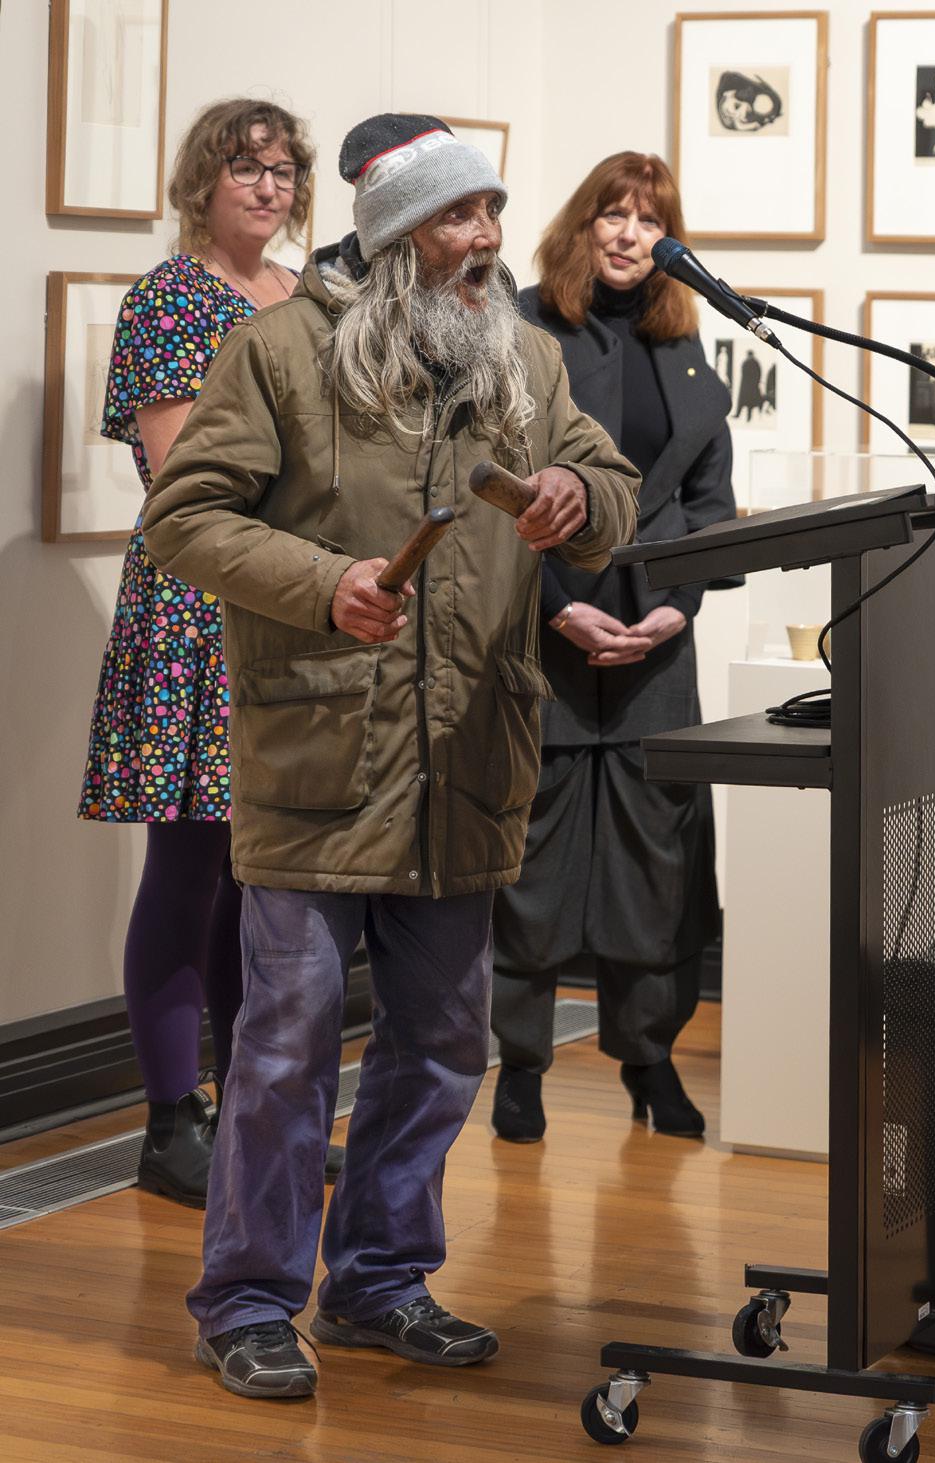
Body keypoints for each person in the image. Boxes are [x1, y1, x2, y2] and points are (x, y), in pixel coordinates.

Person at [141, 113, 639, 1400]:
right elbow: (183, 518)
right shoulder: (280, 353)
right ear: (395, 233)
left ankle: (376, 1280)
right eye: (459, 214)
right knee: (286, 1046)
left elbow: (608, 487)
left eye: (492, 210)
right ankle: (248, 1299)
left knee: (443, 1042)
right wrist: (323, 583)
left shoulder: (524, 357)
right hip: (321, 757)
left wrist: (580, 500)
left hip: (467, 760)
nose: (487, 236)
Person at [78, 100, 318, 1207]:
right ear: (201, 184)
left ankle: (248, 1117)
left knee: (255, 875)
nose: (267, 188)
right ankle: (170, 1124)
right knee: (187, 867)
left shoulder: (302, 294)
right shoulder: (170, 297)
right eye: (245, 169)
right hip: (197, 602)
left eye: (283, 170)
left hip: (286, 596)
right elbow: (185, 473)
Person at [490, 151, 736, 1144]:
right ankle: (519, 1066)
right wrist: (557, 607)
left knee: (654, 858)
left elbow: (710, 501)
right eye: (614, 214)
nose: (632, 234)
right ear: (581, 225)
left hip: (656, 639)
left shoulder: (684, 343)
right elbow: (489, 487)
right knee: (529, 856)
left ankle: (650, 1058)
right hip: (543, 627)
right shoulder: (521, 327)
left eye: (651, 218)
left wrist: (681, 606)